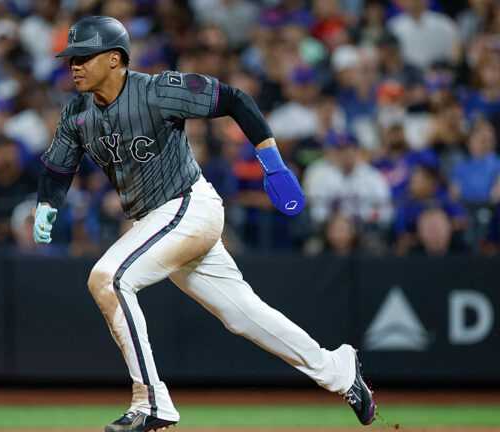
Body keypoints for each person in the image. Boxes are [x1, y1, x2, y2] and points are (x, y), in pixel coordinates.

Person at [32, 16, 376, 432]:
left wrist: (272, 163)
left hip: (188, 207)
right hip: (159, 223)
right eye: (72, 58)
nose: (74, 65)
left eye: (84, 57)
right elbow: (57, 169)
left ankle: (151, 401)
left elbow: (234, 99)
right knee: (244, 315)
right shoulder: (77, 112)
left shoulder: (157, 91)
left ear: (115, 59)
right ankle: (338, 369)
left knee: (108, 279)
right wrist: (47, 204)